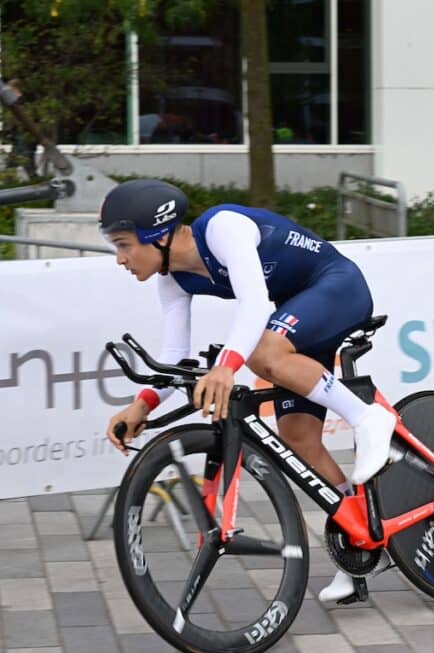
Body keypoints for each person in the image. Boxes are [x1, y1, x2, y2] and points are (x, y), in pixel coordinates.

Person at [102, 178, 398, 604]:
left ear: (160, 234)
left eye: (125, 244)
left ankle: (369, 418)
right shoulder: (173, 280)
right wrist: (141, 404)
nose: (121, 258)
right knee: (299, 441)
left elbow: (256, 305)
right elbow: (176, 355)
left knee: (262, 353)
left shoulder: (221, 228)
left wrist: (226, 369)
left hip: (335, 286)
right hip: (296, 317)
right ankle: (363, 547)